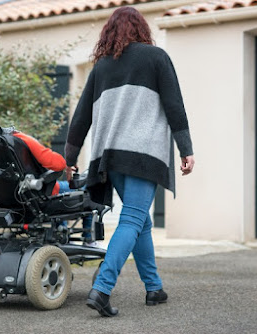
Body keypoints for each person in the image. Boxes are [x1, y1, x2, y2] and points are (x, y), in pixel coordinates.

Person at [64, 7, 195, 317]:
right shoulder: (157, 58)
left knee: (141, 221)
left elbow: (81, 117)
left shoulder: (101, 67)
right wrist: (185, 149)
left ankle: (154, 288)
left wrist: (69, 159)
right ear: (141, 29)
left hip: (108, 157)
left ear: (110, 32)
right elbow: (175, 105)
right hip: (142, 155)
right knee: (134, 218)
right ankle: (103, 287)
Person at [0, 96, 97, 245]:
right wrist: (67, 163)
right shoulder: (14, 139)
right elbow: (57, 164)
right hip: (36, 201)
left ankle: (61, 235)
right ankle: (89, 241)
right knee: (88, 187)